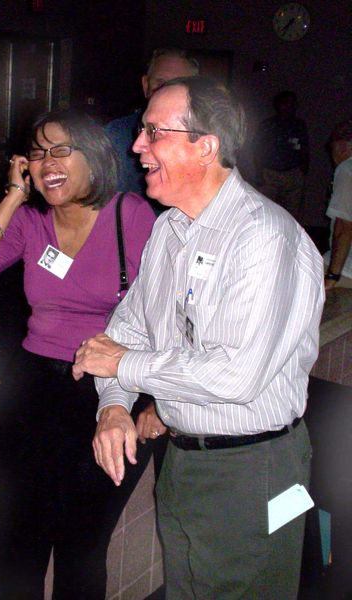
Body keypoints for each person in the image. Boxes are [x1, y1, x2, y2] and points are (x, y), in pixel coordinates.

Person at [74, 77, 325, 599]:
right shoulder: (170, 230)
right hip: (185, 460)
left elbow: (234, 374)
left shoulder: (264, 237)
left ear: (205, 146)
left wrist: (123, 368)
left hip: (256, 469)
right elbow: (126, 330)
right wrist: (115, 407)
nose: (136, 145)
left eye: (152, 132)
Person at [0, 109, 158, 599]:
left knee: (82, 547)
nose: (48, 162)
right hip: (30, 393)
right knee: (16, 541)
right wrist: (15, 194)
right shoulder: (29, 221)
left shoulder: (131, 215)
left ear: (96, 157)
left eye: (62, 149)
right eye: (38, 153)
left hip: (107, 392)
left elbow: (168, 313)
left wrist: (156, 402)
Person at [105, 48, 198, 198]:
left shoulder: (205, 141)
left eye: (177, 85)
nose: (166, 92)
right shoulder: (116, 136)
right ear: (145, 85)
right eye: (160, 83)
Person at [255, 90, 310, 222]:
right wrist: (260, 172)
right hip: (270, 174)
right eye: (287, 103)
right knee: (265, 214)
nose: (290, 107)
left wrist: (302, 171)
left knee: (292, 216)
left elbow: (304, 148)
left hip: (293, 174)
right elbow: (257, 149)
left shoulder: (299, 125)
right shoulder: (268, 125)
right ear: (279, 105)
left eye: (293, 104)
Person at [323, 118, 352, 290]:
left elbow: (344, 226)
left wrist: (332, 276)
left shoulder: (347, 169)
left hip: (348, 268)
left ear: (341, 146)